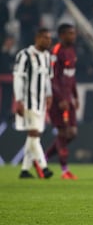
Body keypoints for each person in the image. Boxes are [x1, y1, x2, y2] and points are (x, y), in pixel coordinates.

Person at [13, 27, 54, 179]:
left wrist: (49, 95)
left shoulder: (47, 57)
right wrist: (18, 100)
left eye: (49, 38)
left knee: (33, 136)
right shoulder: (24, 55)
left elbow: (48, 79)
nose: (48, 41)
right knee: (34, 133)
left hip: (40, 103)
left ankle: (24, 170)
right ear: (37, 38)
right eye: (45, 38)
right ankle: (44, 167)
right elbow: (18, 78)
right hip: (27, 101)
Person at [45, 23, 79, 180]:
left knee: (72, 133)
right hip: (58, 100)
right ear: (62, 35)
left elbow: (71, 78)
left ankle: (43, 159)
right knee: (63, 132)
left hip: (68, 99)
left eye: (74, 33)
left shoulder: (71, 51)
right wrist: (60, 99)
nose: (73, 36)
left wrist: (75, 96)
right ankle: (65, 170)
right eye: (70, 34)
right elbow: (52, 78)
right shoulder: (56, 51)